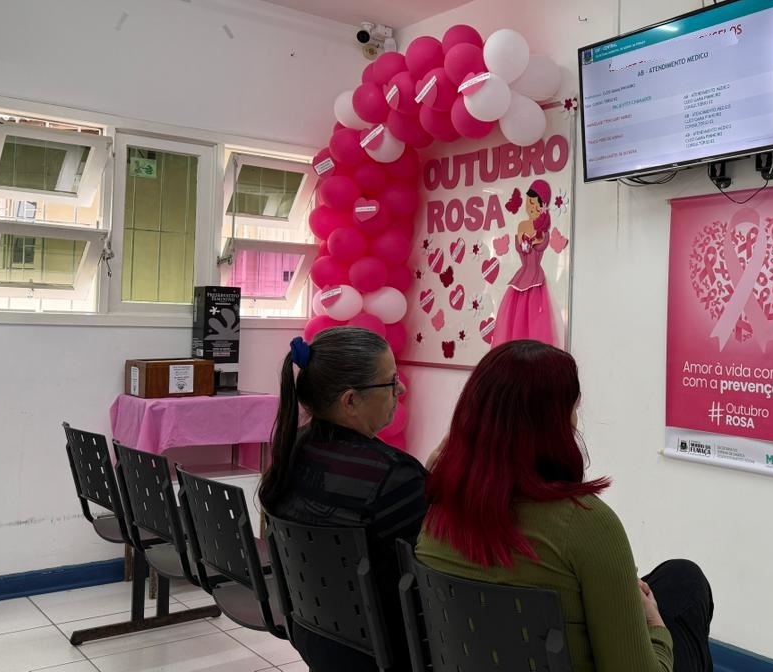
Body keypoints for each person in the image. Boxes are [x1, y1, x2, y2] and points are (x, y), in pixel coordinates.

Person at [417, 340, 715, 672]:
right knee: (688, 587)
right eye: (573, 408)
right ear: (556, 424)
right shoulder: (586, 524)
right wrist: (655, 626)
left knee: (676, 576)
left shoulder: (434, 519)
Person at [258, 327, 426, 672]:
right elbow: (430, 577)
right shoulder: (393, 476)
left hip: (317, 639)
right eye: (391, 382)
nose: (401, 390)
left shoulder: (294, 449)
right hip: (387, 654)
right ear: (350, 401)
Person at [493, 180, 557, 347]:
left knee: (535, 320)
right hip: (521, 277)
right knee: (516, 318)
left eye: (535, 203)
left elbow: (538, 245)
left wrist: (533, 240)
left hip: (536, 280)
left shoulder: (543, 231)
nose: (531, 207)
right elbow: (522, 246)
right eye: (529, 202)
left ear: (543, 205)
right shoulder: (522, 225)